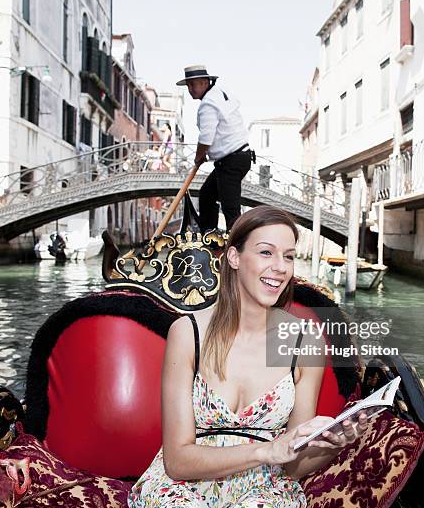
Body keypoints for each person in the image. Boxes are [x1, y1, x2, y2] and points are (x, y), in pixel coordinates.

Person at [128, 205, 369, 508]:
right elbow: (177, 461)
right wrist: (265, 451)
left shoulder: (305, 342)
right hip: (182, 486)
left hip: (263, 489)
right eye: (266, 252)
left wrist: (333, 445)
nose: (281, 267)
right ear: (234, 257)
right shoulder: (188, 333)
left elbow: (292, 464)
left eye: (289, 256)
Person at [177, 65, 253, 233]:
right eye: (188, 86)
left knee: (230, 208)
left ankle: (237, 245)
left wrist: (199, 156)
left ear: (205, 82)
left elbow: (206, 137)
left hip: (231, 159)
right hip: (237, 157)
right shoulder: (220, 93)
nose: (190, 90)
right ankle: (211, 237)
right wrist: (205, 154)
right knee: (207, 195)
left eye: (193, 85)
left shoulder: (207, 104)